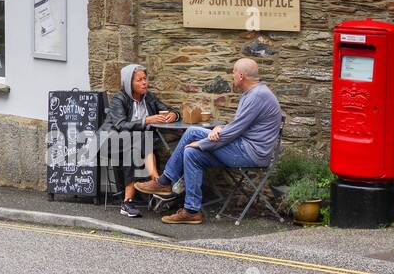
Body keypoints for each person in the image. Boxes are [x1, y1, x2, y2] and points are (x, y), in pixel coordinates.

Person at [134, 57, 283, 225]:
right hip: (242, 148)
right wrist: (219, 129)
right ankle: (191, 211)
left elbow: (234, 131)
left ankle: (164, 182)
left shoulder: (257, 96)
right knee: (191, 153)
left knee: (192, 132)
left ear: (241, 76)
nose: (232, 76)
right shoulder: (253, 94)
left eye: (233, 72)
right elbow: (236, 126)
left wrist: (202, 143)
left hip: (250, 153)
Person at [106, 64, 177, 218]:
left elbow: (171, 110)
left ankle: (128, 201)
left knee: (137, 147)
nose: (144, 82)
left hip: (140, 143)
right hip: (113, 140)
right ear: (129, 83)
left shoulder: (148, 97)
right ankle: (158, 182)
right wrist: (146, 120)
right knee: (138, 143)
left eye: (145, 79)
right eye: (139, 80)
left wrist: (173, 115)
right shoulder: (120, 98)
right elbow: (120, 125)